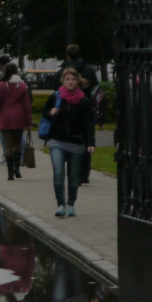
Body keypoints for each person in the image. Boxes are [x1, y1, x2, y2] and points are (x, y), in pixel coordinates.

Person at [43, 66, 96, 217]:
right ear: (63, 81)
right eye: (67, 79)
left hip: (76, 142)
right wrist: (50, 112)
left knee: (74, 178)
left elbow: (88, 124)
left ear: (78, 81)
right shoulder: (56, 97)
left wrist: (91, 143)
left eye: (73, 79)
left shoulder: (84, 101)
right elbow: (45, 112)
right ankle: (60, 204)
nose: (70, 82)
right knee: (59, 172)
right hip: (57, 140)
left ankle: (71, 203)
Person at [55, 44, 99, 185]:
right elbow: (96, 89)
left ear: (67, 55)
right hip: (86, 107)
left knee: (68, 140)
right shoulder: (89, 70)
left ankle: (71, 170)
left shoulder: (63, 71)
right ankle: (83, 173)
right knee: (85, 139)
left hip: (66, 110)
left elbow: (56, 89)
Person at [0, 62, 32, 180]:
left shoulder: (1, 85)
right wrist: (28, 122)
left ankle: (10, 173)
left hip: (5, 118)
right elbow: (27, 105)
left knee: (8, 146)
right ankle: (17, 169)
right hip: (19, 117)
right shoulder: (22, 85)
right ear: (16, 72)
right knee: (18, 144)